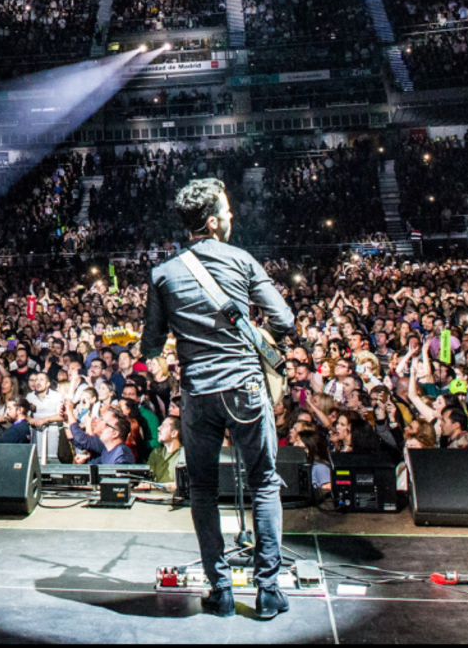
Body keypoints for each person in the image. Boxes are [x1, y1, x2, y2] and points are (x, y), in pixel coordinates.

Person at [141, 177, 296, 621]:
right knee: (264, 482)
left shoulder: (164, 273)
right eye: (227, 211)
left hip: (199, 393)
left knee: (204, 491)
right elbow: (284, 319)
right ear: (212, 222)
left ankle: (221, 591)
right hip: (245, 388)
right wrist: (250, 323)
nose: (232, 217)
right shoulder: (242, 261)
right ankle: (269, 592)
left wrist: (174, 352)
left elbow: (150, 343)